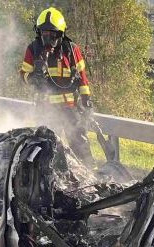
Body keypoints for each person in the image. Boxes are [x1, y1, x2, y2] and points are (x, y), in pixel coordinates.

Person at [19, 7, 94, 164]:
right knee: (48, 151)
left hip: (71, 108)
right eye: (45, 34)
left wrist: (86, 101)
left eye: (52, 34)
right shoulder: (33, 49)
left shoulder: (71, 50)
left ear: (61, 33)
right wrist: (32, 78)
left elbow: (82, 78)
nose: (48, 38)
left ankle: (89, 177)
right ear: (39, 32)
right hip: (46, 109)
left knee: (80, 146)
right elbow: (23, 75)